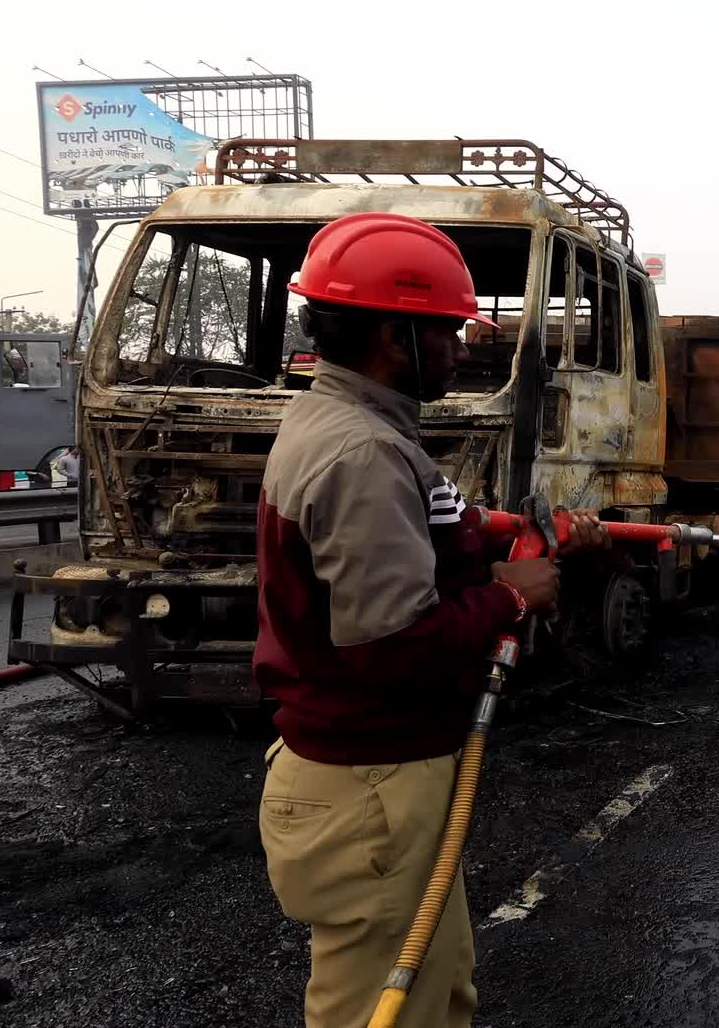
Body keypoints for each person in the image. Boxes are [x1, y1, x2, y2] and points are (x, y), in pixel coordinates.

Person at [253, 212, 607, 1028]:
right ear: (391, 336)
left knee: (439, 993)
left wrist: (481, 530)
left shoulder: (350, 425)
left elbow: (406, 537)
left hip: (379, 779)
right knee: (386, 1011)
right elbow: (388, 645)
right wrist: (513, 594)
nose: (460, 348)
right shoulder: (363, 453)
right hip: (370, 789)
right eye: (445, 332)